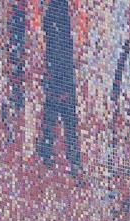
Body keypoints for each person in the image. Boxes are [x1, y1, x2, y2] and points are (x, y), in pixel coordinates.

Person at [36, 0, 81, 174]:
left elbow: (59, 58)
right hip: (60, 82)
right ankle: (64, 157)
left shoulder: (57, 30)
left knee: (58, 119)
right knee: (64, 121)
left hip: (59, 82)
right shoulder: (59, 32)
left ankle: (49, 153)